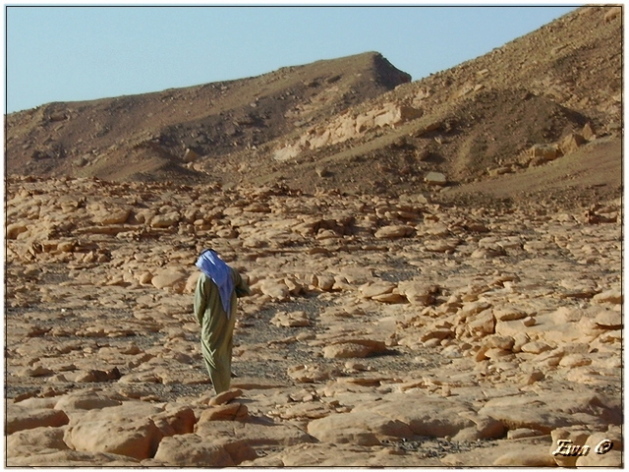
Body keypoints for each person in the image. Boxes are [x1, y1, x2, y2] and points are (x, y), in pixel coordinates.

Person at [193, 249, 250, 394]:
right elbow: (244, 291)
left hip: (212, 318)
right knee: (224, 349)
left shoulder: (205, 278)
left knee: (211, 351)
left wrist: (200, 320)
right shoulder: (230, 272)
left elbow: (199, 304)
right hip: (229, 316)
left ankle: (220, 390)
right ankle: (225, 385)